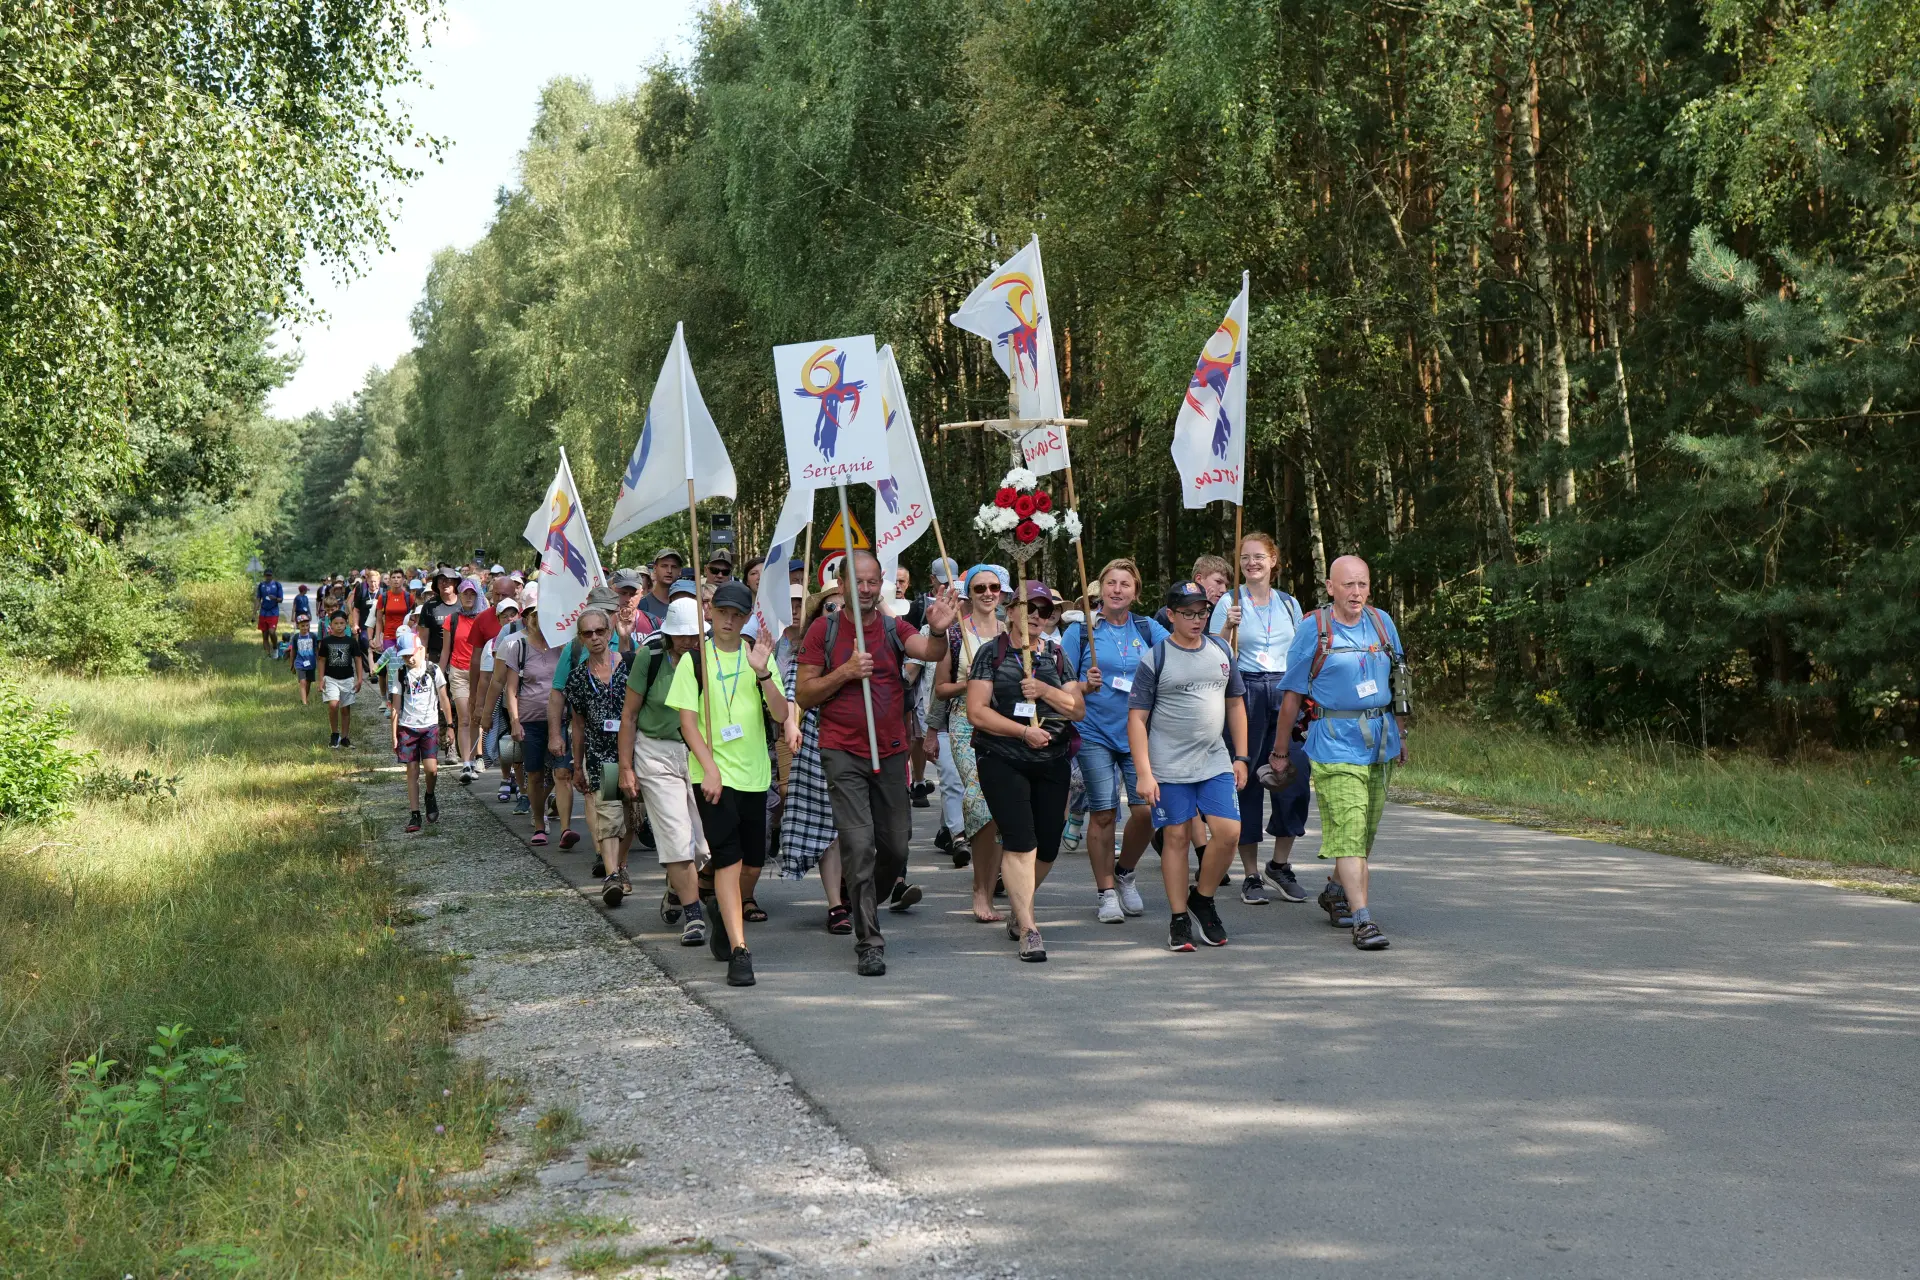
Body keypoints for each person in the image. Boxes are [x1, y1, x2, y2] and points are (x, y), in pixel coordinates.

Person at [795, 551, 957, 977]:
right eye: (858, 582)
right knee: (858, 844)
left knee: (897, 846)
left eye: (872, 582)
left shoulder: (891, 626)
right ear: (842, 584)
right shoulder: (824, 629)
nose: (865, 590)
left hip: (889, 751)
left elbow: (928, 649)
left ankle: (862, 895)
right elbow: (805, 694)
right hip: (841, 751)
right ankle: (869, 940)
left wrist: (939, 630)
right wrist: (846, 671)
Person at [1273, 555, 1406, 951]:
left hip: (1379, 742)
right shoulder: (1314, 628)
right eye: (1348, 585)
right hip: (1333, 743)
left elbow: (1400, 681)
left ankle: (1335, 890)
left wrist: (1401, 735)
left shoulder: (1381, 622)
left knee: (1363, 833)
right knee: (1349, 829)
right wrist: (1280, 750)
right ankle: (1363, 920)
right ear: (1330, 587)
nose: (1356, 592)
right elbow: (1292, 695)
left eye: (1362, 584)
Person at [668, 581, 786, 987]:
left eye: (737, 615)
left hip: (755, 775)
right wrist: (710, 768)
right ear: (710, 612)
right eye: (722, 613)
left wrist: (763, 672)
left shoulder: (758, 656)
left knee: (753, 863)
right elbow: (687, 723)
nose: (729, 621)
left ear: (747, 617)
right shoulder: (694, 660)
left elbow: (781, 713)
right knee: (729, 859)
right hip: (712, 777)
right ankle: (740, 950)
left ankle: (722, 910)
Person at [966, 580, 1085, 962]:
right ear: (1011, 609)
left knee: (1047, 845)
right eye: (1028, 607)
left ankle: (1019, 908)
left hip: (1052, 759)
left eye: (1044, 610)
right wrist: (1022, 732)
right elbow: (976, 712)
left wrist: (1045, 691)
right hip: (1002, 757)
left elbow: (1077, 709)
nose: (1036, 615)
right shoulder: (991, 653)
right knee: (1021, 840)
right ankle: (1029, 929)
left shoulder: (1057, 655)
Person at [1128, 581, 1248, 952]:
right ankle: (1179, 916)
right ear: (1171, 615)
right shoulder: (1156, 658)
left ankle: (1203, 898)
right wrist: (1144, 772)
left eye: (1202, 613)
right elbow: (1136, 719)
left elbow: (1235, 704)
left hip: (1214, 759)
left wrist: (1241, 756)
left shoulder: (1221, 649)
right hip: (1169, 765)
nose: (1197, 620)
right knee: (1177, 838)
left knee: (1229, 833)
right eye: (1188, 614)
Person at [1059, 558, 1169, 924]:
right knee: (1103, 812)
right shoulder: (1081, 631)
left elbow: (1179, 655)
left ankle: (1124, 872)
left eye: (1125, 584)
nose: (1117, 589)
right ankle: (1106, 892)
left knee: (1147, 811)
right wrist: (1082, 685)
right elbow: (1060, 683)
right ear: (1099, 589)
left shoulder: (1148, 628)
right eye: (1111, 583)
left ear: (1136, 592)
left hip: (1139, 733)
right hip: (1094, 732)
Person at [1211, 532, 1310, 905]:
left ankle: (1279, 865)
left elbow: (1301, 651)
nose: (1251, 563)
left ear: (1273, 561)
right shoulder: (1229, 601)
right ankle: (1251, 874)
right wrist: (1227, 627)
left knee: (1293, 776)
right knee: (1246, 781)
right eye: (1245, 557)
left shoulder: (1289, 604)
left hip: (1286, 693)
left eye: (1258, 557)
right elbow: (1213, 654)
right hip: (1245, 691)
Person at [617, 596, 712, 947]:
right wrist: (626, 767)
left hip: (699, 753)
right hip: (656, 752)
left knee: (702, 841)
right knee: (675, 834)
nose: (688, 641)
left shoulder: (707, 658)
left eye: (693, 635)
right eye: (682, 635)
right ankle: (694, 915)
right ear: (669, 633)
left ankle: (676, 887)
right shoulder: (651, 656)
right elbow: (629, 715)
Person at [933, 564, 1008, 921]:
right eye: (980, 588)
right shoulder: (955, 634)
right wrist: (972, 683)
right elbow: (940, 689)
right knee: (979, 801)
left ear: (1002, 593)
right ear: (969, 594)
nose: (988, 593)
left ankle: (996, 878)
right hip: (966, 724)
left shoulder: (1012, 633)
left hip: (1005, 723)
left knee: (1004, 806)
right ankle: (980, 889)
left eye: (993, 587)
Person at [776, 588, 850, 933]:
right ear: (818, 616)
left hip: (861, 747)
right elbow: (792, 696)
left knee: (859, 828)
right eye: (829, 607)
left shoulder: (867, 650)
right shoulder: (806, 654)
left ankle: (856, 887)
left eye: (844, 607)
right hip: (818, 746)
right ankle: (836, 905)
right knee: (830, 829)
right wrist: (791, 724)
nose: (836, 612)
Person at [563, 605, 633, 907]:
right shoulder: (578, 678)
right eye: (587, 633)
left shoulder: (629, 666)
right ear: (581, 637)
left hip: (634, 753)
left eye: (600, 631)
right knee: (608, 813)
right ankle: (612, 875)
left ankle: (621, 866)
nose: (594, 637)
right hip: (600, 755)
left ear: (609, 632)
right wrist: (577, 766)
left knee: (631, 814)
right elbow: (577, 725)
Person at [500, 586, 563, 846]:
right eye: (533, 614)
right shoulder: (518, 646)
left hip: (560, 719)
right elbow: (510, 689)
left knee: (562, 772)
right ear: (527, 617)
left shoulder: (562, 645)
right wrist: (515, 721)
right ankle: (538, 822)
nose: (539, 619)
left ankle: (563, 825)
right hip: (531, 720)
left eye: (544, 613)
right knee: (535, 774)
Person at [389, 630, 453, 833]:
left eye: (411, 654)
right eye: (404, 656)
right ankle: (415, 813)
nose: (409, 659)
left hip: (430, 727)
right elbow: (395, 707)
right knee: (412, 770)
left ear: (421, 650)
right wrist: (394, 735)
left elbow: (444, 699)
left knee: (432, 769)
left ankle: (430, 795)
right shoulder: (400, 674)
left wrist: (450, 726)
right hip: (408, 728)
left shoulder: (433, 670)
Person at [441, 577, 489, 782]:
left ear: (477, 596)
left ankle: (478, 757)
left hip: (480, 674)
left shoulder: (484, 618)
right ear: (459, 596)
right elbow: (446, 650)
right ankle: (467, 764)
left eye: (472, 593)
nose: (469, 597)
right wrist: (439, 676)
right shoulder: (451, 619)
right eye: (465, 593)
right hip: (458, 672)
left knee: (477, 717)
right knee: (465, 718)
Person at [319, 611, 368, 749]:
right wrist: (321, 679)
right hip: (330, 678)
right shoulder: (326, 641)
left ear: (346, 624)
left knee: (345, 709)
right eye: (336, 623)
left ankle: (345, 737)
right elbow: (321, 660)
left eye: (342, 623)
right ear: (330, 624)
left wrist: (360, 679)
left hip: (347, 679)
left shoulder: (351, 641)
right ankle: (335, 734)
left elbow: (357, 659)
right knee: (333, 704)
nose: (339, 626)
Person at [637, 548, 684, 626]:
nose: (669, 571)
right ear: (655, 569)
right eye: (664, 566)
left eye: (674, 567)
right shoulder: (642, 605)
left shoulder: (687, 604)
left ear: (680, 571)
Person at [288, 614, 318, 705]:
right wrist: (292, 664)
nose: (305, 628)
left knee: (308, 683)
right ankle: (304, 703)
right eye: (302, 626)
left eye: (307, 625)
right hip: (300, 663)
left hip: (311, 663)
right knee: (302, 682)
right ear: (298, 626)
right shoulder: (296, 637)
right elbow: (293, 651)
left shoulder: (313, 636)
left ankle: (305, 699)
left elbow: (316, 650)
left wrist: (319, 661)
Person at [255, 571, 284, 652]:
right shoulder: (261, 585)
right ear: (264, 576)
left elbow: (281, 599)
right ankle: (267, 654)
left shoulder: (277, 585)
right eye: (267, 575)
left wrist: (274, 598)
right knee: (265, 635)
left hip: (273, 612)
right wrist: (254, 612)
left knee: (271, 631)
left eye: (270, 575)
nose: (268, 577)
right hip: (263, 612)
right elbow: (258, 599)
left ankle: (275, 646)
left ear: (272, 575)